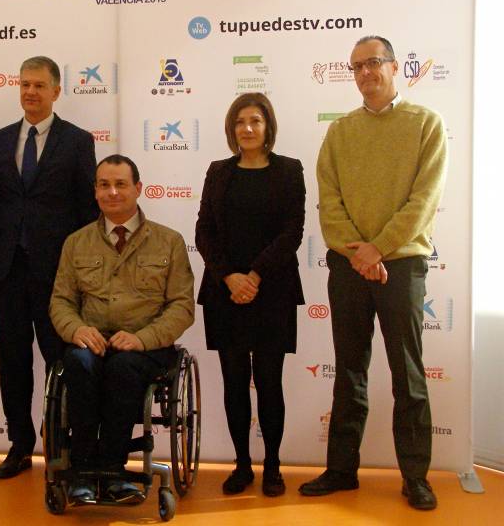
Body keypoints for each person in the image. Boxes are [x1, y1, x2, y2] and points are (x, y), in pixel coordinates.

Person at [299, 35, 447, 511]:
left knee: (408, 374)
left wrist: (378, 250)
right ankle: (342, 470)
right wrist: (360, 254)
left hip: (402, 265)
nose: (365, 73)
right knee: (349, 370)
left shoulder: (426, 123)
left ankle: (416, 477)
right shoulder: (340, 132)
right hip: (348, 266)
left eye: (374, 63)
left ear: (394, 67)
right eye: (357, 66)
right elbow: (330, 201)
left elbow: (423, 202)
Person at [50, 154, 195, 503]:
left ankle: (114, 472)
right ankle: (82, 472)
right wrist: (76, 330)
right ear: (95, 191)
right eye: (104, 185)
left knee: (124, 367)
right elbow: (61, 301)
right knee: (79, 364)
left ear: (138, 189)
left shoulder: (169, 241)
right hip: (92, 342)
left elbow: (182, 306)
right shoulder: (76, 242)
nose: (112, 192)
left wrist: (142, 338)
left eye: (120, 184)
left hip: (146, 349)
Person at [0, 56, 98, 479]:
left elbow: (88, 212)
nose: (30, 92)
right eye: (24, 84)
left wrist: (86, 273)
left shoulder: (78, 141)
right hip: (7, 269)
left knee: (60, 361)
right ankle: (19, 444)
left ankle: (60, 445)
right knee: (11, 361)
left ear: (56, 91)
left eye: (38, 85)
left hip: (58, 276)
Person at [195, 92, 305, 498]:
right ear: (231, 128)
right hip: (226, 293)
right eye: (240, 121)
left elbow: (292, 232)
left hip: (272, 290)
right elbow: (203, 231)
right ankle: (242, 464)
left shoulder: (290, 170)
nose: (248, 128)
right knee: (234, 381)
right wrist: (230, 278)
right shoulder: (218, 171)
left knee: (270, 382)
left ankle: (272, 465)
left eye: (255, 121)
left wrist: (255, 274)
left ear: (268, 126)